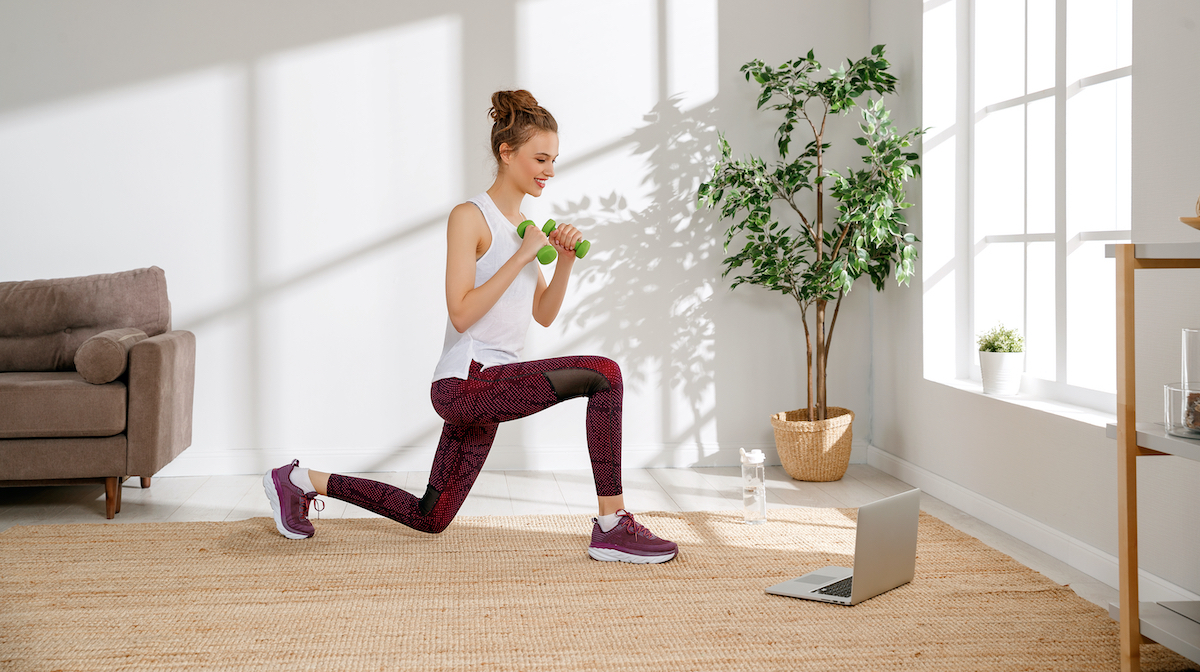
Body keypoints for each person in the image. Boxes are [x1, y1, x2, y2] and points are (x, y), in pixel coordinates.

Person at [263, 89, 678, 564]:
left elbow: (542, 313)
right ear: (507, 152)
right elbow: (460, 311)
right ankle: (611, 524)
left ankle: (297, 481)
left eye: (554, 160)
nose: (550, 170)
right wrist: (524, 254)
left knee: (430, 516)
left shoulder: (524, 227)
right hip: (466, 381)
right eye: (540, 158)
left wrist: (562, 261)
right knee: (603, 374)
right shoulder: (471, 218)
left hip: (490, 385)